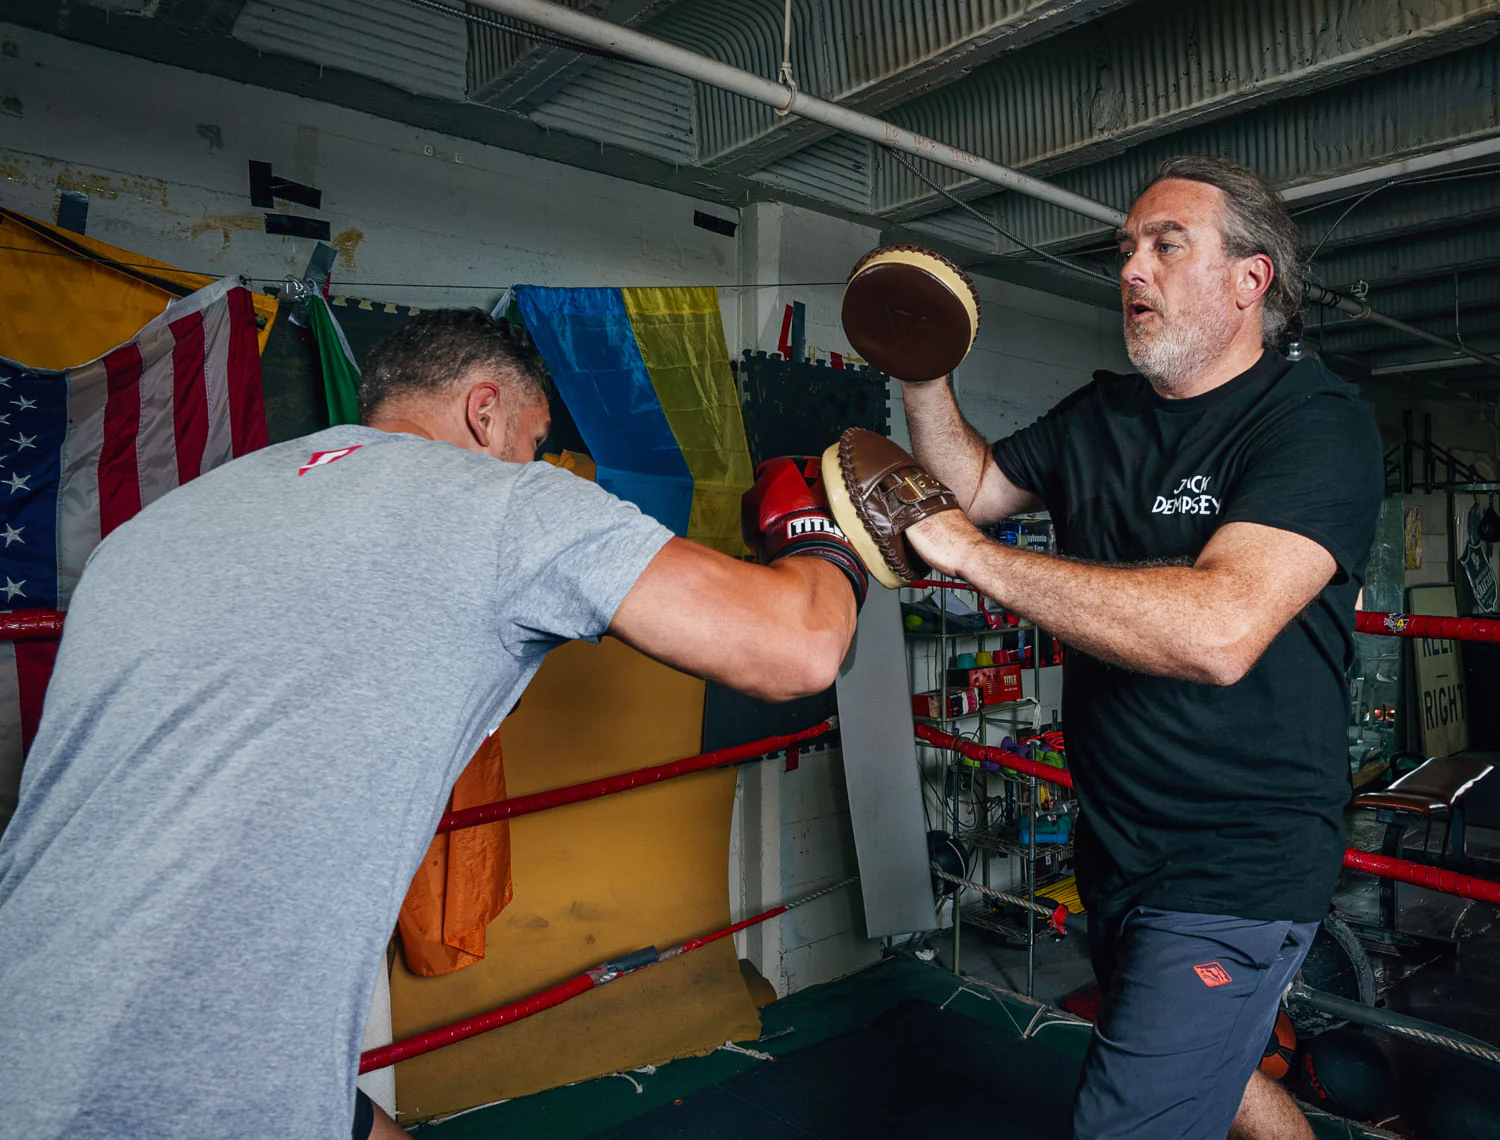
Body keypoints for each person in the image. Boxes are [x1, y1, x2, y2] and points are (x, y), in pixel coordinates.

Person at [0, 310, 866, 1139]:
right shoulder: (501, 505)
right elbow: (799, 647)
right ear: (484, 413)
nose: (535, 464)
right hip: (143, 1104)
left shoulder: (159, 526)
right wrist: (824, 537)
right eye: (531, 443)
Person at [899, 156, 1383, 1140]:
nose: (1132, 270)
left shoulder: (1312, 420)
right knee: (1228, 1077)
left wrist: (972, 559)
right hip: (1117, 848)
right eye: (1127, 250)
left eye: (1167, 245)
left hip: (1238, 864)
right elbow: (977, 486)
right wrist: (921, 374)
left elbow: (1220, 630)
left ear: (1252, 281)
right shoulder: (1099, 417)